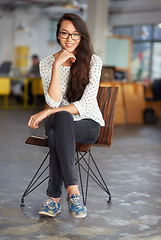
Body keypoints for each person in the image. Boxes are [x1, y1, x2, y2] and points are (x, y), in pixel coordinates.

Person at [28, 13, 105, 219]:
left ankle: (53, 199)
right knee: (62, 119)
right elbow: (53, 102)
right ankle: (74, 193)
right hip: (60, 121)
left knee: (57, 133)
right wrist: (56, 66)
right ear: (58, 35)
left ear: (82, 37)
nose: (70, 39)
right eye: (65, 34)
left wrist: (48, 112)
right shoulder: (47, 63)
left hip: (87, 124)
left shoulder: (93, 61)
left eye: (75, 35)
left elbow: (87, 104)